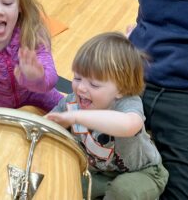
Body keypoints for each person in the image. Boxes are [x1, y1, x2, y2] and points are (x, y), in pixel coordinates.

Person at [47, 32, 168, 200]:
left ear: (121, 90)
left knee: (122, 191)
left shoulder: (127, 103)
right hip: (102, 174)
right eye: (77, 78)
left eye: (94, 84)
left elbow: (129, 125)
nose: (81, 88)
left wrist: (77, 117)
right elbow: (44, 126)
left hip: (145, 173)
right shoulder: (72, 102)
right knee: (63, 183)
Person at [127, 0, 188, 199]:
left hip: (181, 94)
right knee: (88, 156)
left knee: (178, 192)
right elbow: (146, 14)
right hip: (134, 78)